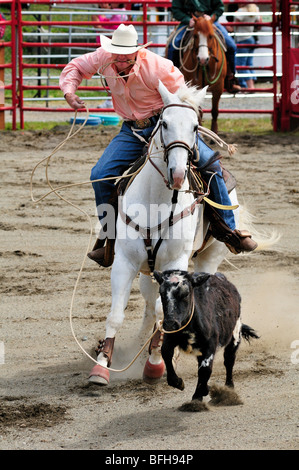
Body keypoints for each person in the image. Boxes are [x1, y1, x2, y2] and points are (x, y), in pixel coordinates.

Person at [59, 24, 257, 266]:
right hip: (132, 129)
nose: (120, 59)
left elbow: (185, 100)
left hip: (166, 126)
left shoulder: (158, 68)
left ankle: (229, 230)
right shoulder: (104, 58)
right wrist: (69, 91)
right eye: (116, 53)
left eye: (126, 54)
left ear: (136, 52)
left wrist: (181, 128)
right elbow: (76, 67)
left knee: (210, 165)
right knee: (100, 174)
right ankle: (110, 236)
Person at [169, 0, 241, 93]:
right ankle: (172, 81)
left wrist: (211, 18)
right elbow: (176, 9)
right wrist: (187, 19)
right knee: (173, 47)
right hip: (190, 22)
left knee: (231, 46)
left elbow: (219, 7)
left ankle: (230, 79)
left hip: (210, 22)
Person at [234, 3, 261, 90]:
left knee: (241, 65)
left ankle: (248, 86)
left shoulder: (241, 11)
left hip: (242, 39)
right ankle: (251, 85)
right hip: (251, 38)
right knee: (249, 64)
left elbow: (234, 26)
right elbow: (260, 24)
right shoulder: (255, 9)